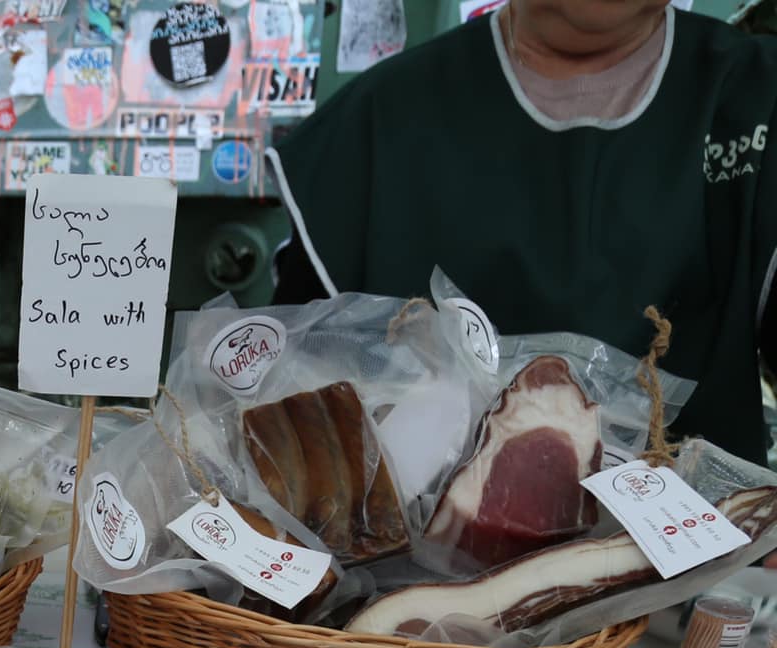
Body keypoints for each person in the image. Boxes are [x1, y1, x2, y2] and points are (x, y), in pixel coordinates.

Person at [267, 0, 777, 461]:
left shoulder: (756, 97)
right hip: (413, 534)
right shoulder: (374, 125)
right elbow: (287, 419)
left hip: (701, 529)